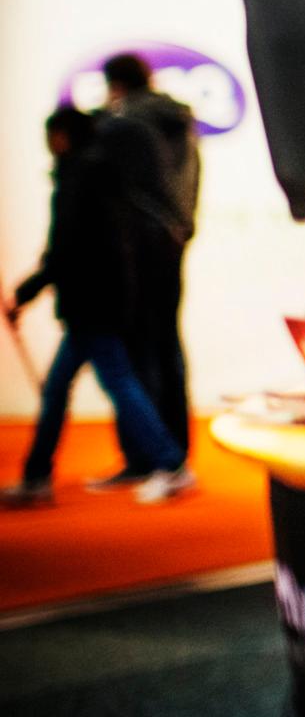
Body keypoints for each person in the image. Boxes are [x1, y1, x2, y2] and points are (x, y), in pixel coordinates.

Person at [3, 108, 193, 508]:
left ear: (63, 136)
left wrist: (26, 291)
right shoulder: (98, 176)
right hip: (97, 303)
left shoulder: (82, 179)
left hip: (93, 305)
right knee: (63, 390)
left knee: (117, 385)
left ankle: (170, 463)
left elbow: (66, 249)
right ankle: (37, 475)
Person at [94, 51, 198, 483]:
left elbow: (117, 191)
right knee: (167, 346)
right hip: (171, 243)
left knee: (136, 349)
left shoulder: (119, 126)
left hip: (133, 248)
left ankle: (148, 457)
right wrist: (180, 229)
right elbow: (187, 186)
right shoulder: (180, 122)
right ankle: (175, 451)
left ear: (116, 84)